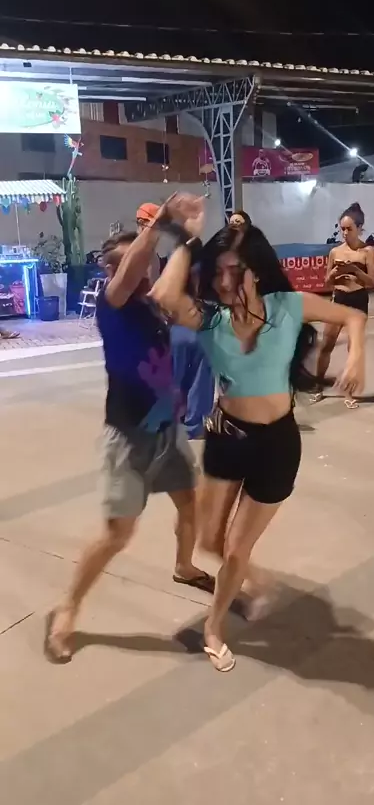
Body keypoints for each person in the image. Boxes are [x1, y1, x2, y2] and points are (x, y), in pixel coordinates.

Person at [150, 202, 366, 672]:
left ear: (257, 270)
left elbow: (353, 317)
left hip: (278, 446)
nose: (224, 282)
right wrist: (186, 240)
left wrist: (355, 358)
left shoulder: (288, 306)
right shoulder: (210, 320)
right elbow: (164, 294)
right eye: (217, 273)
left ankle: (214, 627)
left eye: (235, 271)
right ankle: (251, 579)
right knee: (208, 539)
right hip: (227, 437)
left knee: (235, 548)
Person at [44, 198, 214, 663]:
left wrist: (187, 236)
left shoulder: (152, 302)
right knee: (117, 534)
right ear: (113, 271)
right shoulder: (112, 303)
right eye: (136, 264)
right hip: (128, 437)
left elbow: (173, 270)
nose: (146, 268)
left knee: (190, 503)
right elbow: (134, 265)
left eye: (149, 262)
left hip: (167, 429)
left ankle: (184, 566)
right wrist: (159, 223)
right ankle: (67, 609)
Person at [137, 201, 215, 439]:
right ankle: (193, 423)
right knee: (194, 374)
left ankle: (171, 421)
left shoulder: (163, 258)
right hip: (183, 322)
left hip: (171, 324)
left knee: (174, 375)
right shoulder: (164, 258)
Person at [315, 202, 374, 408]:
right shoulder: (335, 252)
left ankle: (348, 393)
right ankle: (317, 385)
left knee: (353, 349)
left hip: (358, 299)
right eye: (342, 228)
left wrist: (356, 271)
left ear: (359, 228)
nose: (344, 233)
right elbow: (327, 282)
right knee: (327, 344)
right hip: (339, 298)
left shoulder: (367, 252)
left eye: (349, 229)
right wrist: (335, 273)